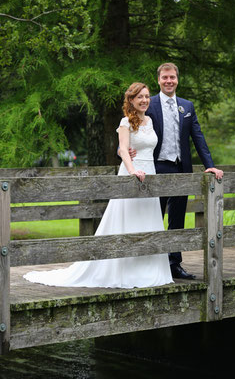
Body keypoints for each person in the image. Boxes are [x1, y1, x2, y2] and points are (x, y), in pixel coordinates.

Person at [23, 83, 173, 289]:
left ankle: (150, 268)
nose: (145, 100)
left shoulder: (150, 121)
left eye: (147, 96)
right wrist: (132, 171)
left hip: (150, 174)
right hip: (133, 173)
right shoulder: (125, 122)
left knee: (147, 217)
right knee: (128, 219)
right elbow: (122, 148)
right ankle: (124, 269)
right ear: (131, 100)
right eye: (140, 97)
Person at [129, 63, 223, 280]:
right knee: (154, 215)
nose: (168, 81)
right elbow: (128, 129)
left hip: (182, 168)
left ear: (177, 79)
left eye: (172, 77)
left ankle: (174, 263)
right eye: (164, 78)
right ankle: (151, 262)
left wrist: (209, 163)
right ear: (159, 80)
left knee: (178, 218)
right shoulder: (147, 103)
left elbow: (197, 137)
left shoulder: (187, 106)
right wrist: (124, 151)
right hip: (156, 167)